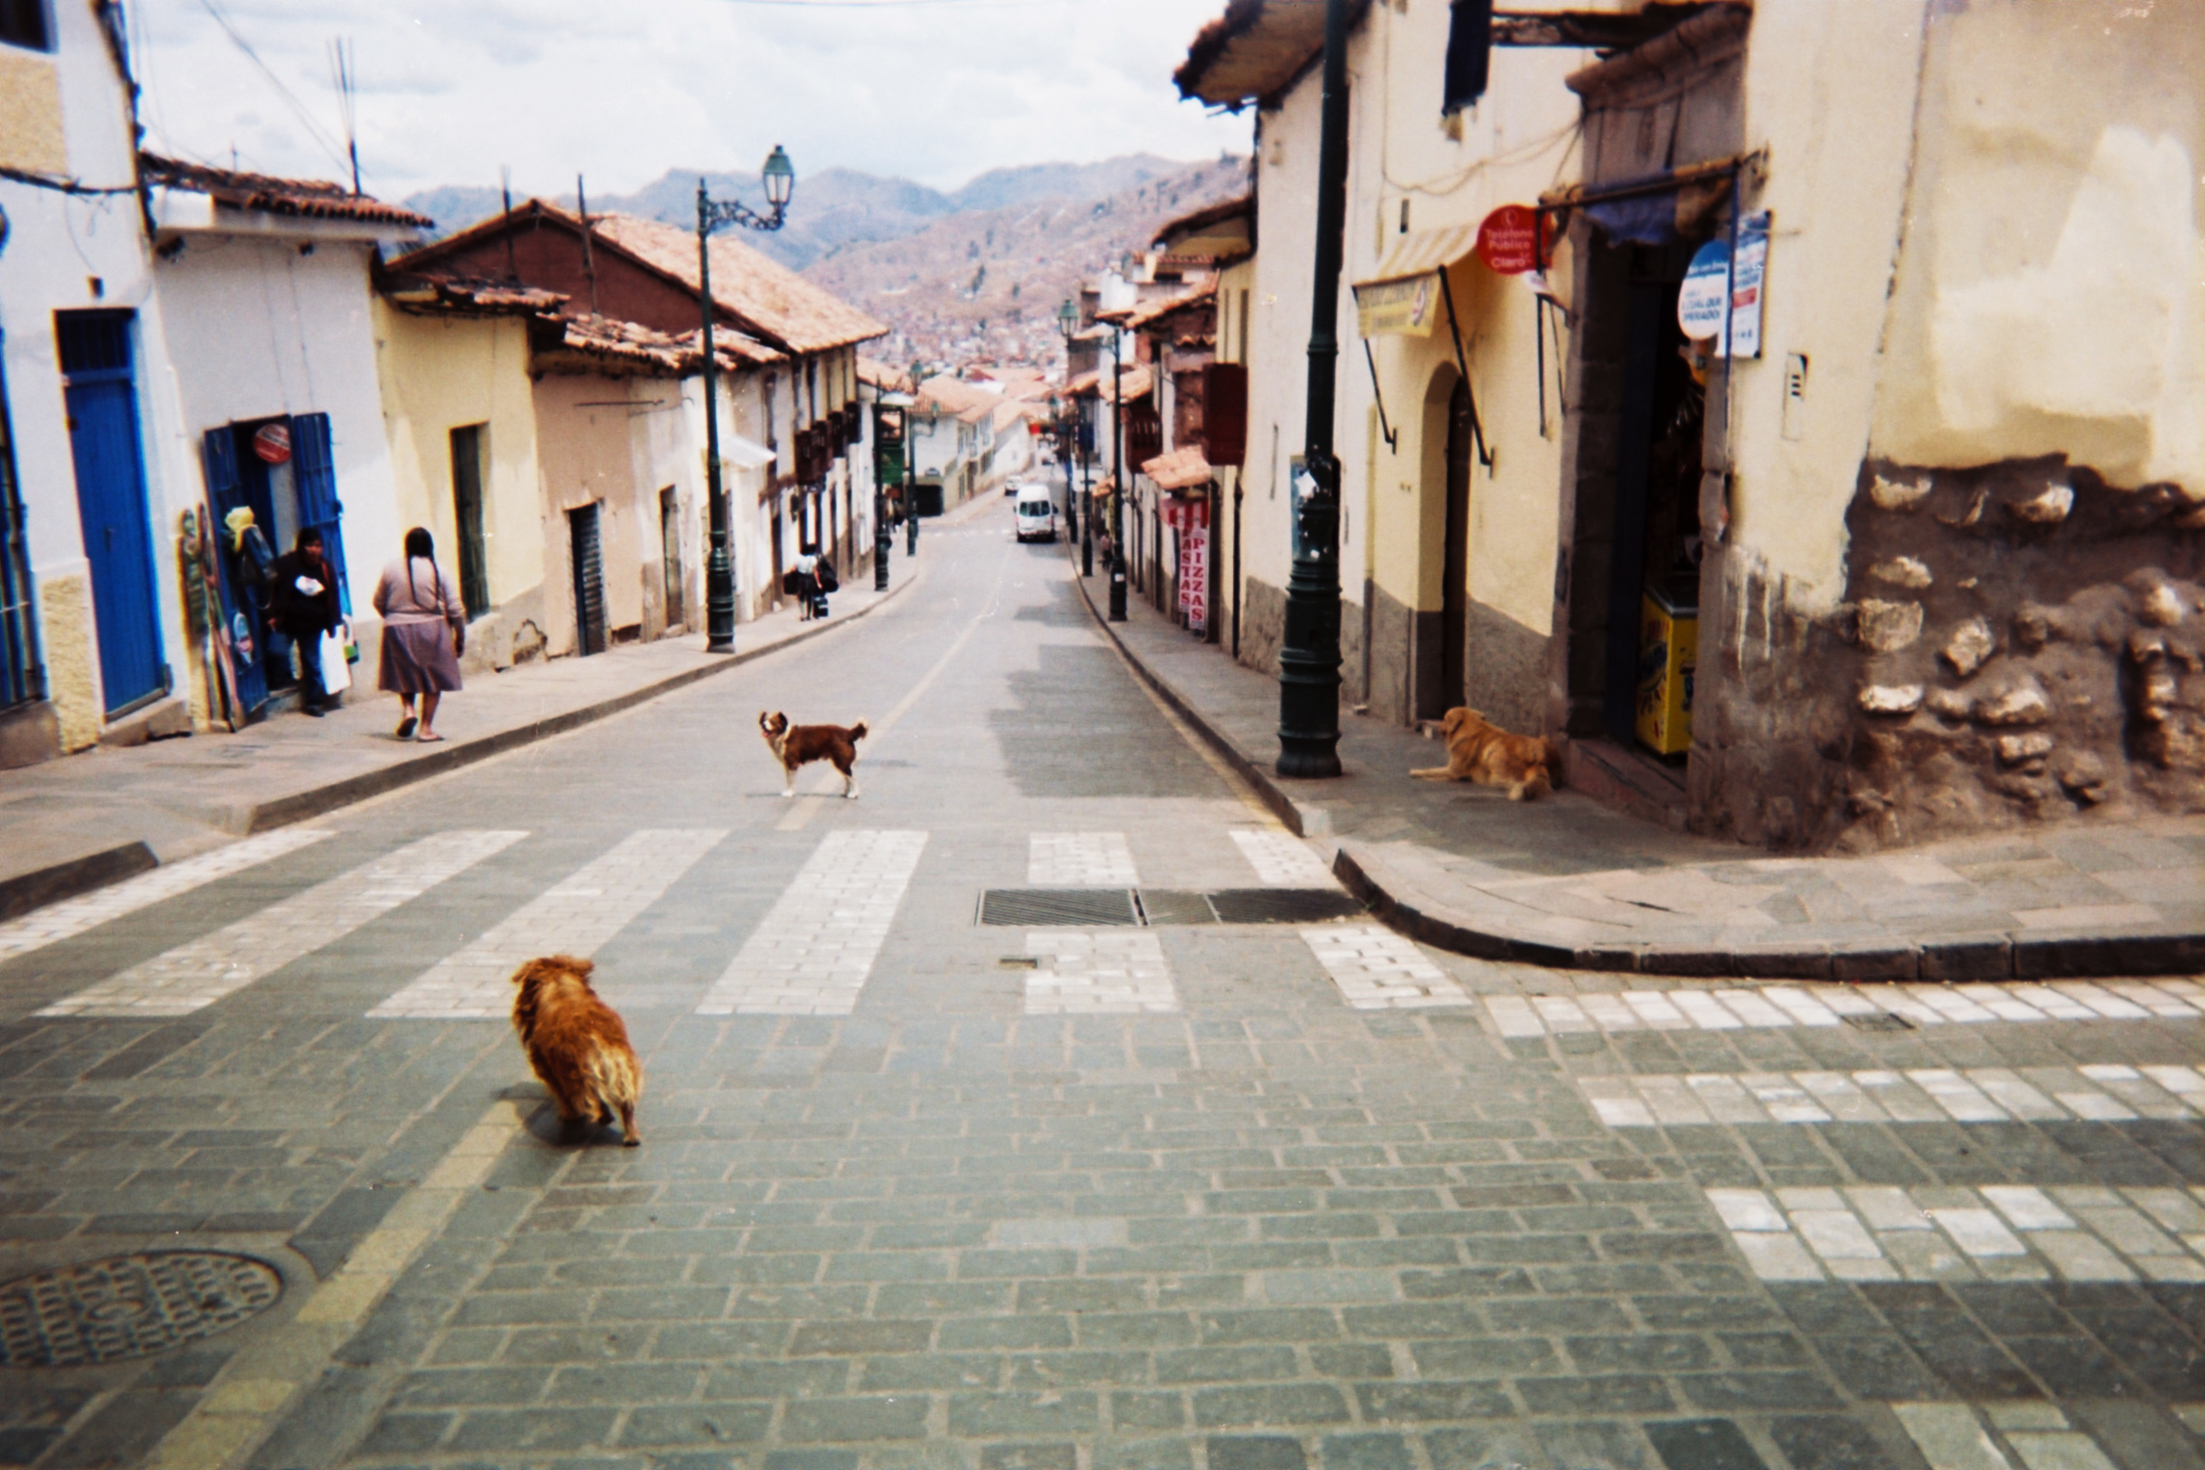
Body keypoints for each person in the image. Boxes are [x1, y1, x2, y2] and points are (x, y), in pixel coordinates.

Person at [372, 527, 464, 741]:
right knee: (434, 679)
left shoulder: (391, 568)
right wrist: (460, 637)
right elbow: (455, 608)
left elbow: (378, 601)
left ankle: (408, 710)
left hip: (396, 627)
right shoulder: (439, 570)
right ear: (430, 546)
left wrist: (394, 616)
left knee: (404, 673)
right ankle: (426, 729)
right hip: (433, 628)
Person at [269, 528, 341, 717]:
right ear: (301, 546)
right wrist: (274, 614)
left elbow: (332, 595)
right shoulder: (288, 564)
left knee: (311, 662)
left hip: (313, 623)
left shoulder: (324, 567)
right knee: (277, 651)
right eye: (310, 545)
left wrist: (332, 621)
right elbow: (276, 589)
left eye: (318, 545)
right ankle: (282, 681)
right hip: (288, 621)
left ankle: (313, 702)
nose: (314, 550)